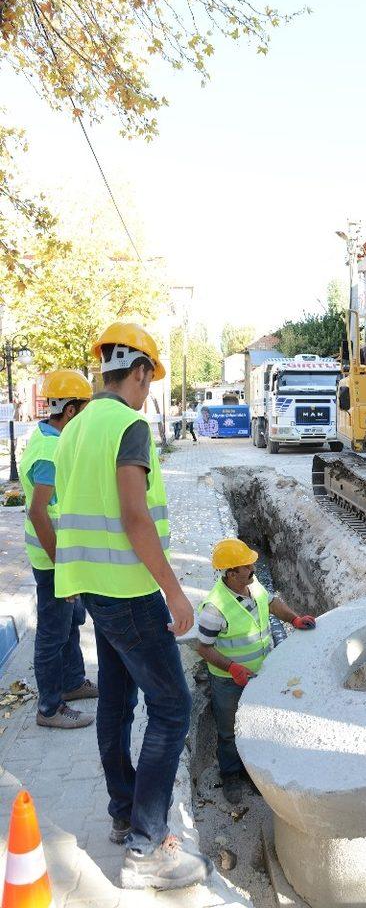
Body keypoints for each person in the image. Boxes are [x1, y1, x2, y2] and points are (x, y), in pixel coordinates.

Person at [53, 322, 211, 891]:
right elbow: (133, 514)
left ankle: (125, 813)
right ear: (139, 370)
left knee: (117, 702)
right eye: (150, 379)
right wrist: (173, 589)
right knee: (172, 707)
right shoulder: (129, 424)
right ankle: (147, 847)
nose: (150, 391)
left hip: (93, 587)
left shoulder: (74, 429)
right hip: (130, 590)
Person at [197, 538, 316, 805]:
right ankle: (230, 775)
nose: (253, 569)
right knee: (229, 730)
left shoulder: (254, 585)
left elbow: (272, 603)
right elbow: (203, 648)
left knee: (257, 726)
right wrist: (232, 667)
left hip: (260, 674)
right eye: (247, 567)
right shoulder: (214, 608)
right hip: (229, 681)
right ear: (231, 573)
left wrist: (294, 618)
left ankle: (252, 772)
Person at [18, 370, 97, 730]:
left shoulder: (51, 437)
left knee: (71, 621)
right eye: (82, 408)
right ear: (69, 410)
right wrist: (61, 565)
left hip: (61, 557)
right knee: (53, 632)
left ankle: (72, 682)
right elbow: (38, 511)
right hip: (53, 561)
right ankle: (50, 708)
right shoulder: (50, 451)